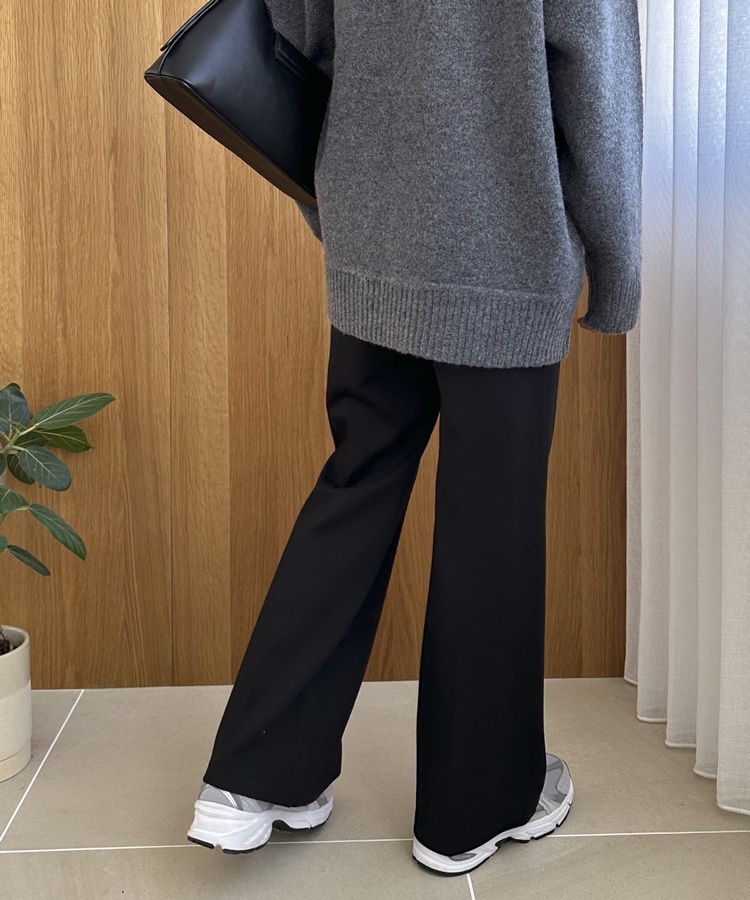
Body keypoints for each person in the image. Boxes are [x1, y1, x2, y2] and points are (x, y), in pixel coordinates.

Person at [187, 0, 643, 877]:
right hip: (504, 249)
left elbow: (297, 38)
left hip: (374, 235)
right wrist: (617, 268)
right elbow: (596, 82)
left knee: (355, 482)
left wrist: (339, 203)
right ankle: (473, 808)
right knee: (491, 522)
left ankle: (250, 778)